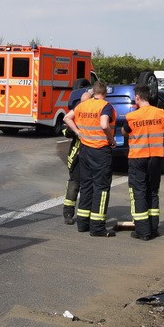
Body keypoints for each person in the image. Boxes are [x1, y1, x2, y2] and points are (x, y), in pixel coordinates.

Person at [63, 80, 117, 236]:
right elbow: (104, 124)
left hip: (85, 150)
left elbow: (67, 118)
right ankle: (97, 227)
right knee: (101, 188)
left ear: (93, 92)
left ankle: (83, 223)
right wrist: (111, 140)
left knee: (86, 186)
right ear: (105, 92)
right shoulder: (105, 106)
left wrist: (79, 132)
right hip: (100, 150)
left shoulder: (82, 105)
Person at [124, 85, 164, 240]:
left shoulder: (132, 116)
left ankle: (143, 231)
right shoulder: (161, 114)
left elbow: (125, 131)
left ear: (137, 97)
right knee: (153, 191)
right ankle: (154, 228)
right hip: (156, 157)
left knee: (139, 192)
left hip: (138, 157)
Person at [61, 78, 93, 224]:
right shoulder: (76, 112)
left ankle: (85, 213)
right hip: (78, 155)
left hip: (91, 153)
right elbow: (65, 131)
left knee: (88, 184)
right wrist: (73, 130)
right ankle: (68, 214)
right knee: (74, 184)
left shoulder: (94, 112)